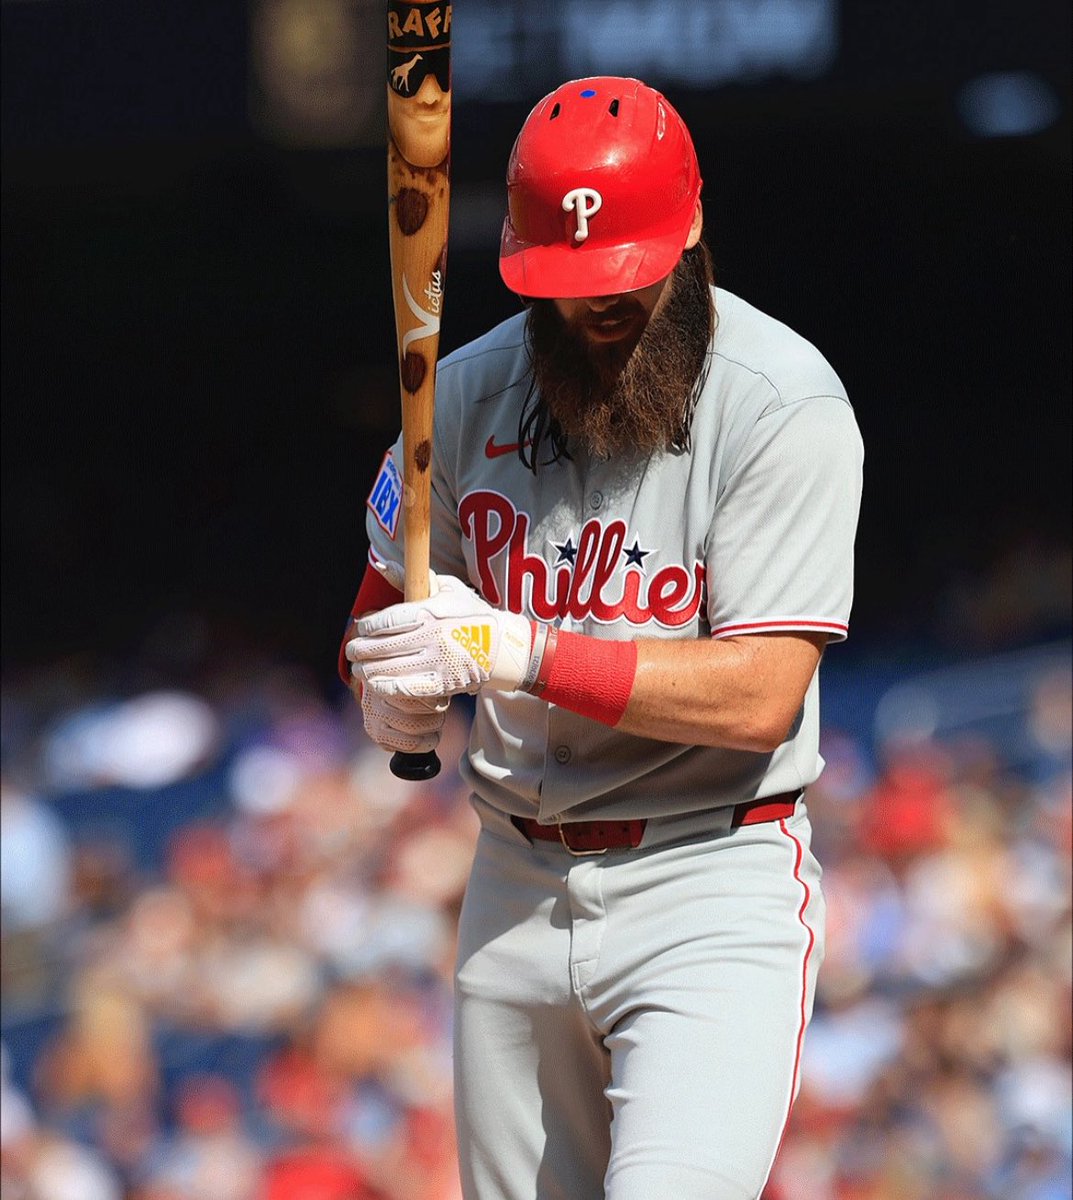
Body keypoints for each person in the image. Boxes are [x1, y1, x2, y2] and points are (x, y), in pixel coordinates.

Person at [341, 76, 864, 1200]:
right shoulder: (465, 394)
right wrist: (382, 679)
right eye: (575, 287)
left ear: (689, 230)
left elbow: (759, 695)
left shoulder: (781, 404)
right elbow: (384, 600)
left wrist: (517, 652)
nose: (602, 307)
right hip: (511, 881)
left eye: (625, 277)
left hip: (707, 879)